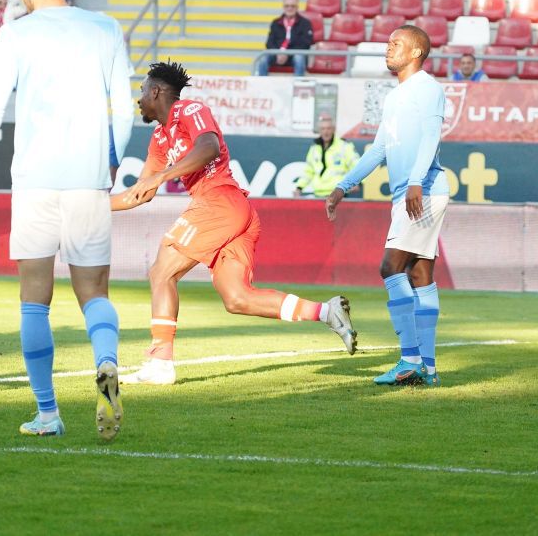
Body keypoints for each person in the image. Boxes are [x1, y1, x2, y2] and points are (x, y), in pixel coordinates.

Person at [0, 0, 134, 441]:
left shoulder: (16, 33)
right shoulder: (105, 28)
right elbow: (123, 105)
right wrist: (114, 159)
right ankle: (106, 362)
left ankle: (48, 413)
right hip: (88, 177)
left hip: (35, 179)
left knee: (35, 300)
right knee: (94, 293)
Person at [110, 61, 357, 386]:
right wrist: (94, 207)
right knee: (237, 298)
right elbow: (140, 193)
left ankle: (160, 362)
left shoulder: (189, 109)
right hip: (231, 213)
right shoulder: (159, 138)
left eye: (141, 91)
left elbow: (209, 146)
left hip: (219, 202)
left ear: (156, 91)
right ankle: (326, 313)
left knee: (162, 271)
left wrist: (164, 174)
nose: (138, 99)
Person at [326, 26, 448, 387]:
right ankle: (428, 366)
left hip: (422, 190)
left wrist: (415, 180)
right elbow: (379, 149)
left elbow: (431, 135)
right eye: (388, 43)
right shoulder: (395, 96)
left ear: (416, 52)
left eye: (397, 44)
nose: (388, 48)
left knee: (389, 267)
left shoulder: (428, 88)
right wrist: (342, 186)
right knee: (419, 274)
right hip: (413, 192)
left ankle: (409, 360)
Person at [294, 113, 359, 198]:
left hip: (337, 195)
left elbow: (358, 166)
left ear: (334, 129)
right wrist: (299, 188)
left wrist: (357, 183)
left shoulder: (344, 146)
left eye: (328, 128)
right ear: (319, 131)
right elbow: (308, 171)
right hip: (318, 195)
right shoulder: (314, 149)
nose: (326, 131)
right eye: (323, 129)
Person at [257, 0, 313, 76]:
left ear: (297, 7)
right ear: (283, 7)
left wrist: (287, 53)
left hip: (294, 54)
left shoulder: (305, 23)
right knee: (263, 59)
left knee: (299, 58)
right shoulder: (275, 22)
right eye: (287, 6)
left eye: (292, 6)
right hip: (277, 54)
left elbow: (306, 43)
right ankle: (261, 85)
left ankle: (297, 85)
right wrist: (278, 53)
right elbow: (269, 43)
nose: (289, 8)